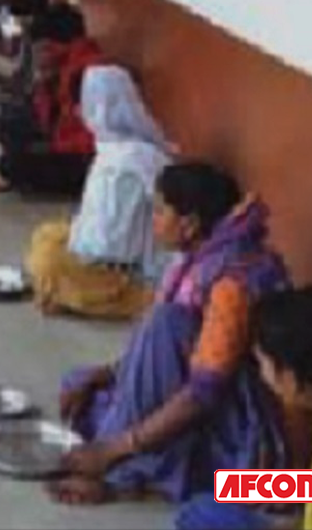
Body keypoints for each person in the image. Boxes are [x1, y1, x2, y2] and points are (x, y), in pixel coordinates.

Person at [44, 162, 291, 505]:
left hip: (235, 436)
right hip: (231, 431)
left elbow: (202, 394)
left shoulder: (230, 283)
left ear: (189, 224)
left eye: (160, 210)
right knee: (85, 387)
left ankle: (133, 475)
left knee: (217, 506)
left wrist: (115, 455)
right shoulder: (198, 261)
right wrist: (108, 373)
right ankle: (145, 468)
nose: (153, 220)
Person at [176, 285, 312, 530]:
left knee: (203, 515)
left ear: (290, 378)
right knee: (212, 499)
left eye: (262, 363)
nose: (261, 374)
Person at [26, 65, 174, 319]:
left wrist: (79, 248)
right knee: (46, 235)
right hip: (101, 251)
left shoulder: (135, 159)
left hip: (124, 271)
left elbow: (111, 243)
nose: (83, 111)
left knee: (48, 261)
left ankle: (106, 298)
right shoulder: (112, 147)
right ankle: (64, 290)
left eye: (88, 103)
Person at [0, 3, 100, 196]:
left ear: (51, 44)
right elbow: (43, 112)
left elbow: (87, 137)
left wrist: (50, 147)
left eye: (40, 48)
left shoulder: (83, 73)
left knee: (11, 165)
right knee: (6, 120)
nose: (38, 54)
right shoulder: (62, 66)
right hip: (63, 141)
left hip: (84, 159)